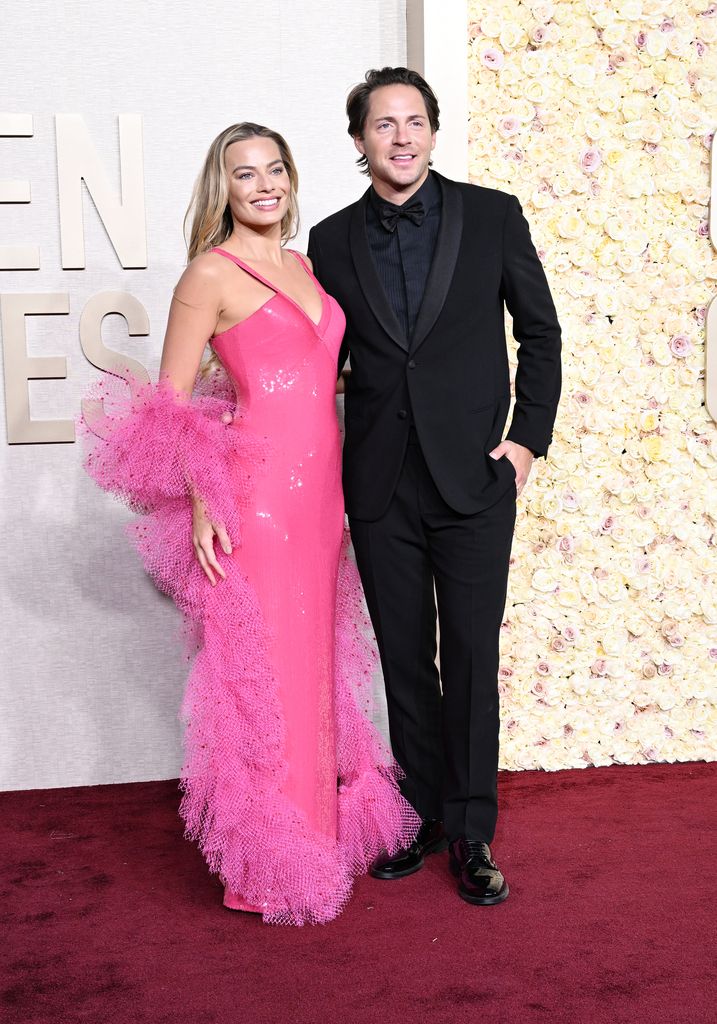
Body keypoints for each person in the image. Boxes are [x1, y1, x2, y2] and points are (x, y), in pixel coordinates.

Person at [84, 122, 418, 926]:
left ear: (291, 179)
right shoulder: (209, 274)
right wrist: (204, 499)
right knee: (264, 673)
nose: (263, 184)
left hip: (323, 499)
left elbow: (313, 377)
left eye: (274, 169)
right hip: (259, 500)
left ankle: (317, 836)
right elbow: (170, 406)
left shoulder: (303, 266)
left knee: (315, 665)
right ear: (222, 188)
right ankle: (268, 862)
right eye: (244, 174)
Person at [308, 68, 561, 906]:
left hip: (475, 481)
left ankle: (472, 830)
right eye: (384, 124)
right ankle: (419, 817)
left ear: (432, 131)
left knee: (472, 659)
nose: (401, 136)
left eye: (414, 121)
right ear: (359, 142)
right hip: (379, 483)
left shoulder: (491, 214)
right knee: (405, 661)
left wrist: (524, 443)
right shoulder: (331, 240)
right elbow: (319, 364)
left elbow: (540, 331)